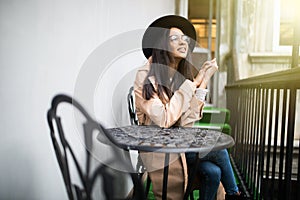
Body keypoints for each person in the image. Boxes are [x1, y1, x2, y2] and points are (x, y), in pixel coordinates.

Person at [134, 15, 246, 200]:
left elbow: (187, 122)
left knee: (212, 172)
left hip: (178, 145)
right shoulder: (146, 75)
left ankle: (234, 195)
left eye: (184, 39)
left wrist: (203, 80)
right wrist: (193, 83)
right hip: (159, 149)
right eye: (174, 38)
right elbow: (163, 119)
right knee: (218, 149)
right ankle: (235, 195)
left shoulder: (178, 75)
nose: (183, 42)